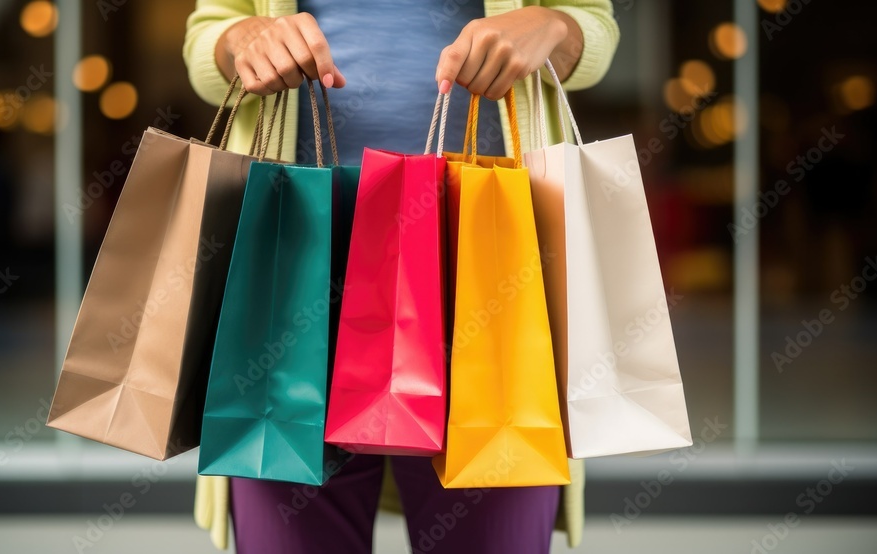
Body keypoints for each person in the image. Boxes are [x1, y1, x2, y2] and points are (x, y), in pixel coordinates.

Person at [184, 2, 618, 552]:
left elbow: (594, 26)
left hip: (489, 261)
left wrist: (551, 25)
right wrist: (244, 37)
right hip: (296, 257)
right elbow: (208, 34)